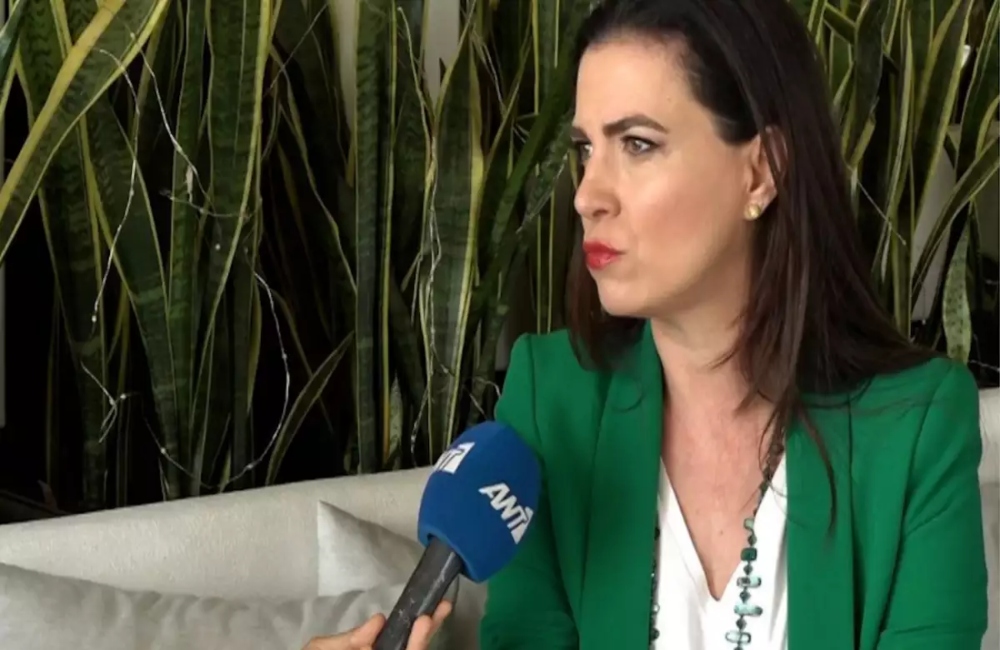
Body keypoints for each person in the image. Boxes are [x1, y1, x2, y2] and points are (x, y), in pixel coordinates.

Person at [308, 0, 989, 648]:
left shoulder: (916, 430)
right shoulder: (551, 407)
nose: (586, 196)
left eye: (637, 144)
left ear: (762, 171)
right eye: (584, 149)